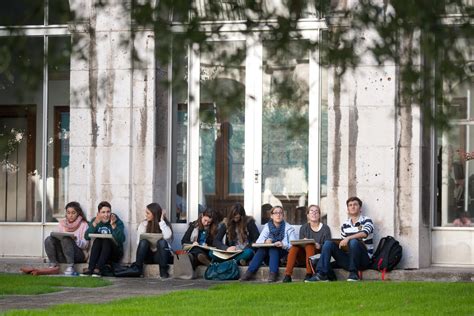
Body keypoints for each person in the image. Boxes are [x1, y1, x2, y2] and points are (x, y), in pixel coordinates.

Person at [306, 196, 374, 282]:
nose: (352, 207)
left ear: (360, 208)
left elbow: (364, 234)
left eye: (355, 205)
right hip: (349, 260)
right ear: (348, 209)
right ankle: (322, 274)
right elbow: (343, 245)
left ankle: (354, 274)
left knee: (353, 241)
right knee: (328, 243)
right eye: (350, 205)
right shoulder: (345, 225)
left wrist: (348, 238)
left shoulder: (367, 220)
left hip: (364, 260)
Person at [240, 206, 297, 282]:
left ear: (283, 215)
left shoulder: (288, 227)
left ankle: (273, 274)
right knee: (262, 249)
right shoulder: (268, 226)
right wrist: (265, 241)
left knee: (274, 249)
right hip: (269, 256)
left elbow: (294, 245)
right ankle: (249, 272)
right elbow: (258, 241)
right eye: (276, 213)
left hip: (283, 255)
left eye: (280, 213)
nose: (278, 215)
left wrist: (283, 244)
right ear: (271, 216)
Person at [122, 203, 173, 278]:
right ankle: (137, 269)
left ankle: (163, 271)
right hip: (148, 255)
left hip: (160, 256)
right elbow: (139, 243)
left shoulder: (164, 224)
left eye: (148, 213)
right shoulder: (143, 224)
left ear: (154, 214)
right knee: (143, 241)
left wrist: (161, 221)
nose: (146, 215)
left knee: (162, 242)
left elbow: (168, 236)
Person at [283, 204, 331, 282]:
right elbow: (300, 245)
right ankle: (287, 275)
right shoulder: (304, 227)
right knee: (295, 246)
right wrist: (303, 241)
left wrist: (319, 245)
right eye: (311, 211)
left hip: (318, 257)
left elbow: (329, 247)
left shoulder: (325, 228)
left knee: (310, 245)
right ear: (308, 215)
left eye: (316, 212)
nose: (314, 213)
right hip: (304, 257)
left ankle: (309, 273)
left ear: (319, 215)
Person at [42, 202, 89, 275]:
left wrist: (76, 239)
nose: (70, 215)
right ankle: (53, 265)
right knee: (49, 239)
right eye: (68, 213)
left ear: (78, 213)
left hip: (78, 255)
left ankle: (71, 267)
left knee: (66, 239)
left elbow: (85, 245)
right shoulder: (62, 224)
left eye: (73, 213)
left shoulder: (84, 224)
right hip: (63, 254)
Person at [83, 201, 125, 277]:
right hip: (101, 253)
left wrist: (113, 225)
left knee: (107, 240)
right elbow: (86, 237)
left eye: (108, 212)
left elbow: (121, 239)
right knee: (98, 240)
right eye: (103, 212)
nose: (106, 215)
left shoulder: (117, 221)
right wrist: (95, 224)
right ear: (98, 213)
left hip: (115, 254)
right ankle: (91, 268)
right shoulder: (95, 221)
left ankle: (98, 269)